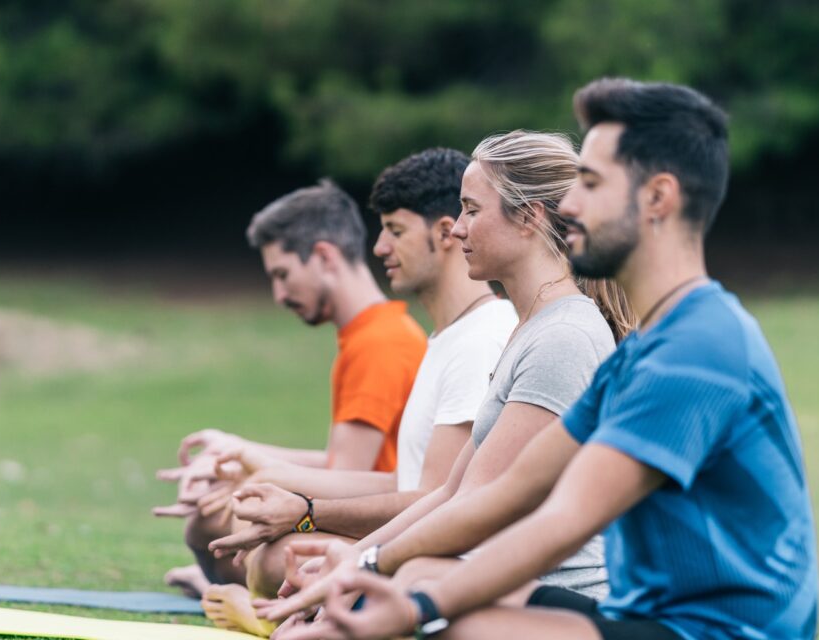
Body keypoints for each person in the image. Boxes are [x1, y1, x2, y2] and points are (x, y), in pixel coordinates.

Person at [272, 78, 819, 640]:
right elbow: (506, 494)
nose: (571, 204)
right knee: (431, 585)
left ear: (658, 198)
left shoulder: (698, 349)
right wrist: (363, 567)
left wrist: (412, 606)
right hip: (644, 618)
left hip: (714, 633)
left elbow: (565, 521)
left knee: (464, 626)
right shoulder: (641, 351)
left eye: (591, 182)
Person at [251, 130, 636, 635]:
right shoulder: (532, 326)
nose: (457, 230)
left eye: (473, 210)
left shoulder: (563, 335)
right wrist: (354, 560)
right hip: (496, 577)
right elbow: (451, 491)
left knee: (405, 577)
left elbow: (474, 507)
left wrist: (361, 566)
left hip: (560, 597)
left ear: (529, 217)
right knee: (368, 574)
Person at [199, 147, 520, 636]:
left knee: (275, 561)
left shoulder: (481, 338)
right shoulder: (446, 337)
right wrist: (272, 476)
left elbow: (435, 497)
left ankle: (293, 619)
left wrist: (306, 514)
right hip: (415, 546)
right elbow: (403, 479)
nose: (378, 249)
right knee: (268, 556)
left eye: (395, 231)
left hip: (446, 563)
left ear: (443, 232)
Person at [155, 179, 428, 595]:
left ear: (323, 256)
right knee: (217, 512)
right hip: (364, 506)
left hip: (378, 527)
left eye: (283, 275)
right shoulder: (369, 334)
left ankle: (238, 584)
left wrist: (252, 473)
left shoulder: (381, 342)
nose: (279, 295)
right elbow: (347, 463)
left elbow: (346, 479)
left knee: (232, 524)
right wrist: (237, 454)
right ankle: (230, 579)